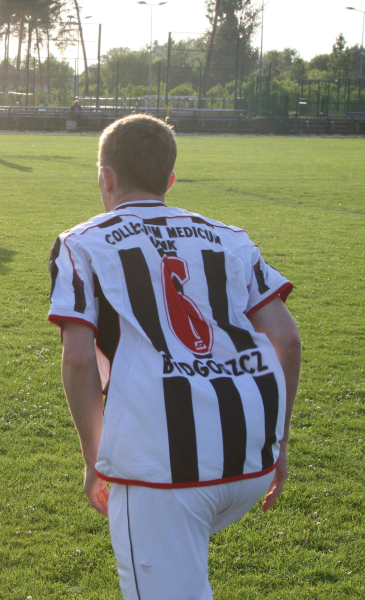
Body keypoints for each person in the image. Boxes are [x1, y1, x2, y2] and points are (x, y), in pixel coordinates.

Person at [47, 114, 300, 600]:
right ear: (170, 179)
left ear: (106, 177)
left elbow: (78, 359)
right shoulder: (232, 237)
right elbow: (286, 340)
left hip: (162, 469)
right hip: (250, 458)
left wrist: (95, 459)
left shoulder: (80, 243)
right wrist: (280, 444)